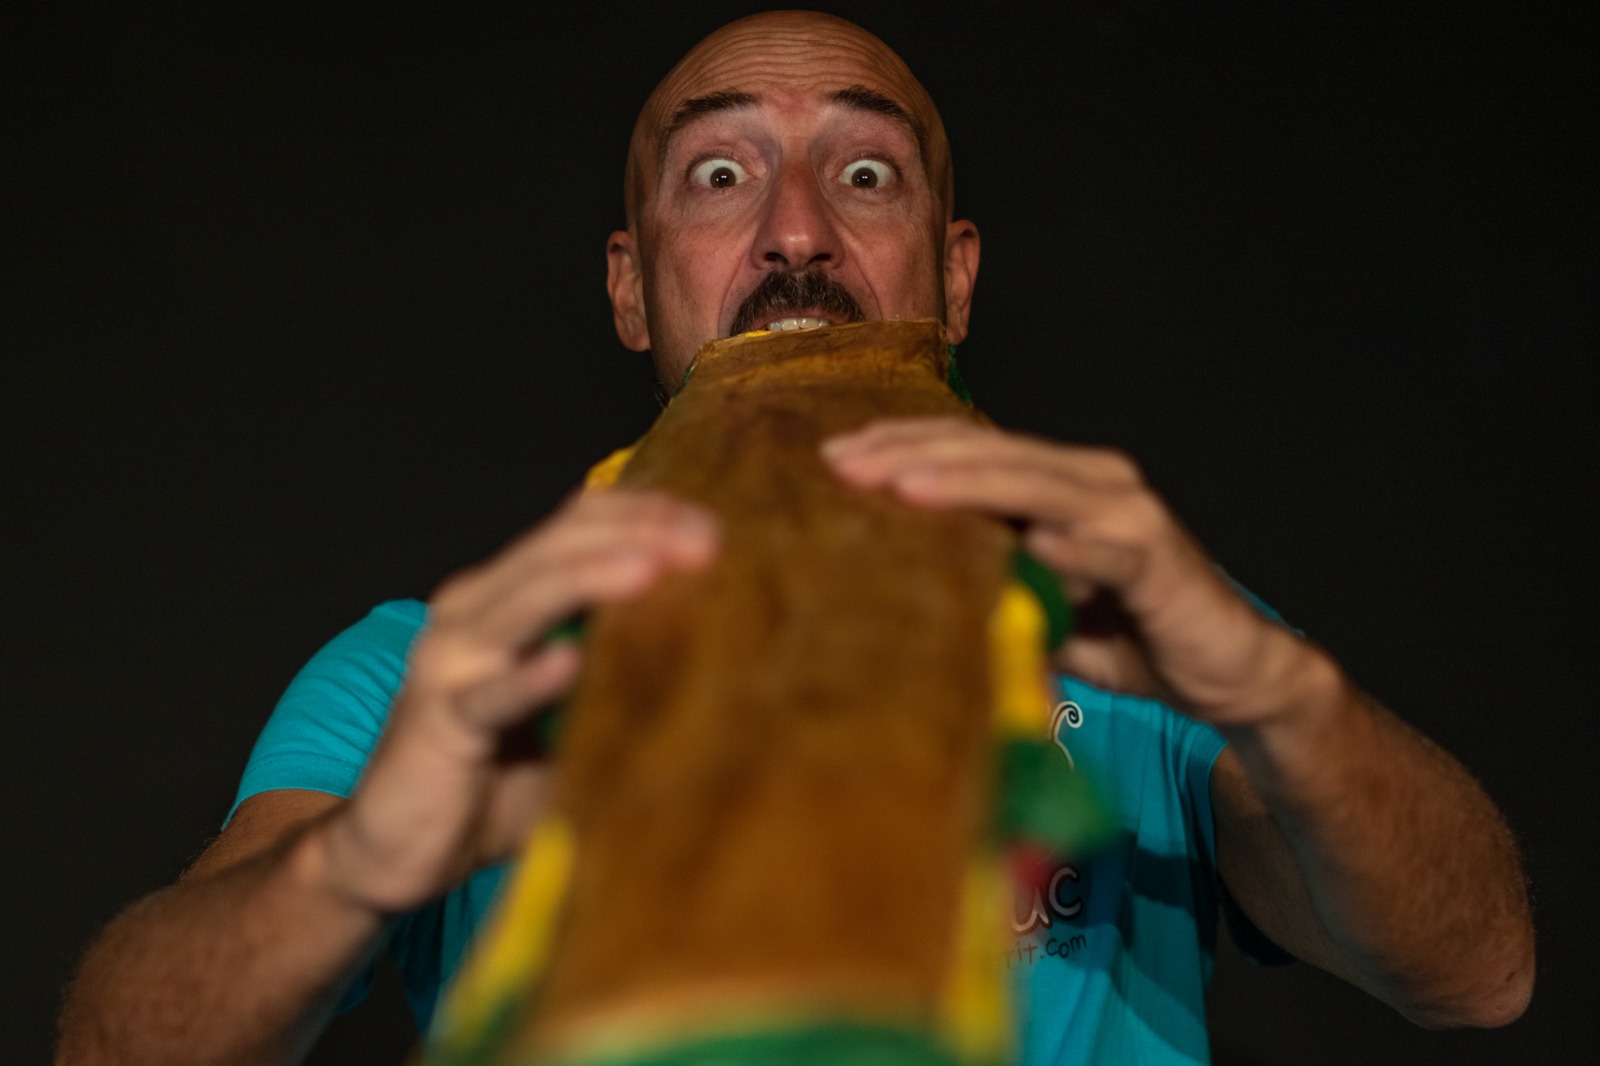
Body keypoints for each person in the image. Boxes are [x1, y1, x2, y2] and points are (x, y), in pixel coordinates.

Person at [55, 11, 1535, 1065]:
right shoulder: (433, 671)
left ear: (954, 278)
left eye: (866, 172)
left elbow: (1480, 975)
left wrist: (1274, 694)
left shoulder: (1141, 626)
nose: (798, 232)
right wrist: (363, 859)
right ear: (630, 287)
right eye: (720, 174)